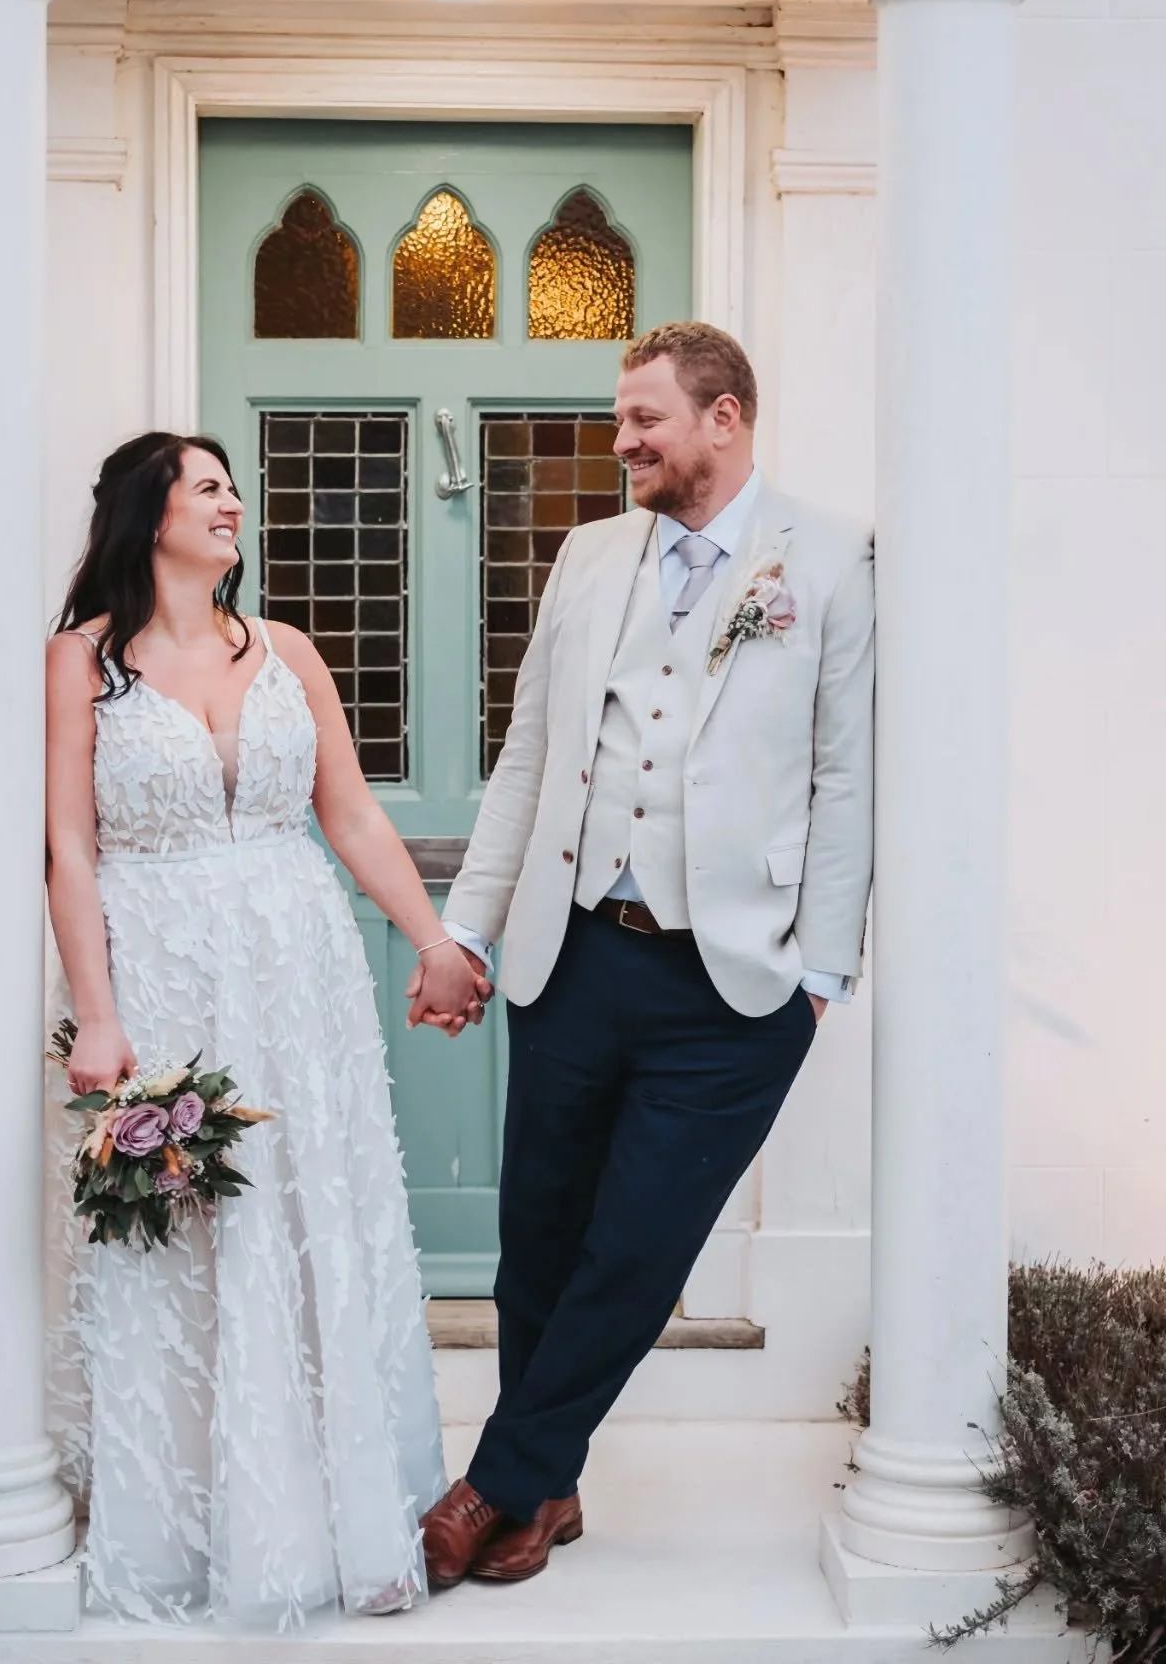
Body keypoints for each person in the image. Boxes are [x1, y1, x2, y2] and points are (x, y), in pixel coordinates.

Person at [416, 321, 875, 1587]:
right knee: (541, 1241)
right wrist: (467, 927)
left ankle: (489, 1486)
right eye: (622, 421)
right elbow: (525, 752)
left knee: (639, 1250)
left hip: (734, 982)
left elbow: (847, 775)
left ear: (724, 419)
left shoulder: (831, 562)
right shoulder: (587, 552)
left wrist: (822, 972)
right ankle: (547, 1494)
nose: (621, 443)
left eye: (644, 423)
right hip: (572, 955)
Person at [43, 432, 480, 1625]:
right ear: (150, 513)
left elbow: (352, 815)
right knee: (183, 1239)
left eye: (235, 487)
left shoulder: (286, 650)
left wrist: (434, 938)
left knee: (307, 1217)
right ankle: (191, 1527)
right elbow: (69, 848)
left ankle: (334, 1511)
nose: (233, 504)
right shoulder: (82, 662)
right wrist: (98, 1016)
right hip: (165, 971)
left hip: (300, 978)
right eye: (207, 487)